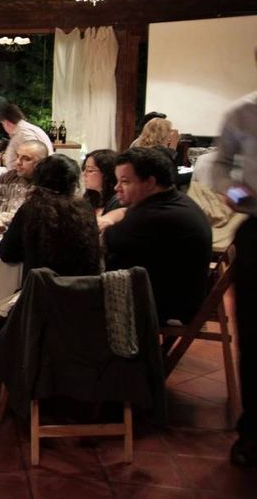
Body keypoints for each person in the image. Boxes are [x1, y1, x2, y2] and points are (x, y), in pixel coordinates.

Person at [101, 147, 211, 325]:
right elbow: (123, 216)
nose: (116, 188)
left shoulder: (154, 216)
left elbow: (104, 241)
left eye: (125, 182)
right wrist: (109, 218)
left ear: (150, 183)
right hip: (180, 297)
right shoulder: (175, 200)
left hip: (166, 307)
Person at [211, 80, 257, 467]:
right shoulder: (243, 111)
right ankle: (253, 432)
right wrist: (242, 196)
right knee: (255, 336)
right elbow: (220, 166)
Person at [0, 154, 101, 282]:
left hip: (42, 294)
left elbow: (7, 253)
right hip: (82, 293)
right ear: (73, 182)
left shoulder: (33, 208)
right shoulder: (85, 209)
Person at [0, 104, 53, 170]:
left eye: (3, 124)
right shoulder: (27, 129)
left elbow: (33, 162)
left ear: (7, 122)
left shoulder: (23, 134)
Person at [82, 149, 120, 215]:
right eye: (84, 169)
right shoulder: (90, 198)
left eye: (90, 170)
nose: (84, 174)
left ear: (106, 174)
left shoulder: (117, 201)